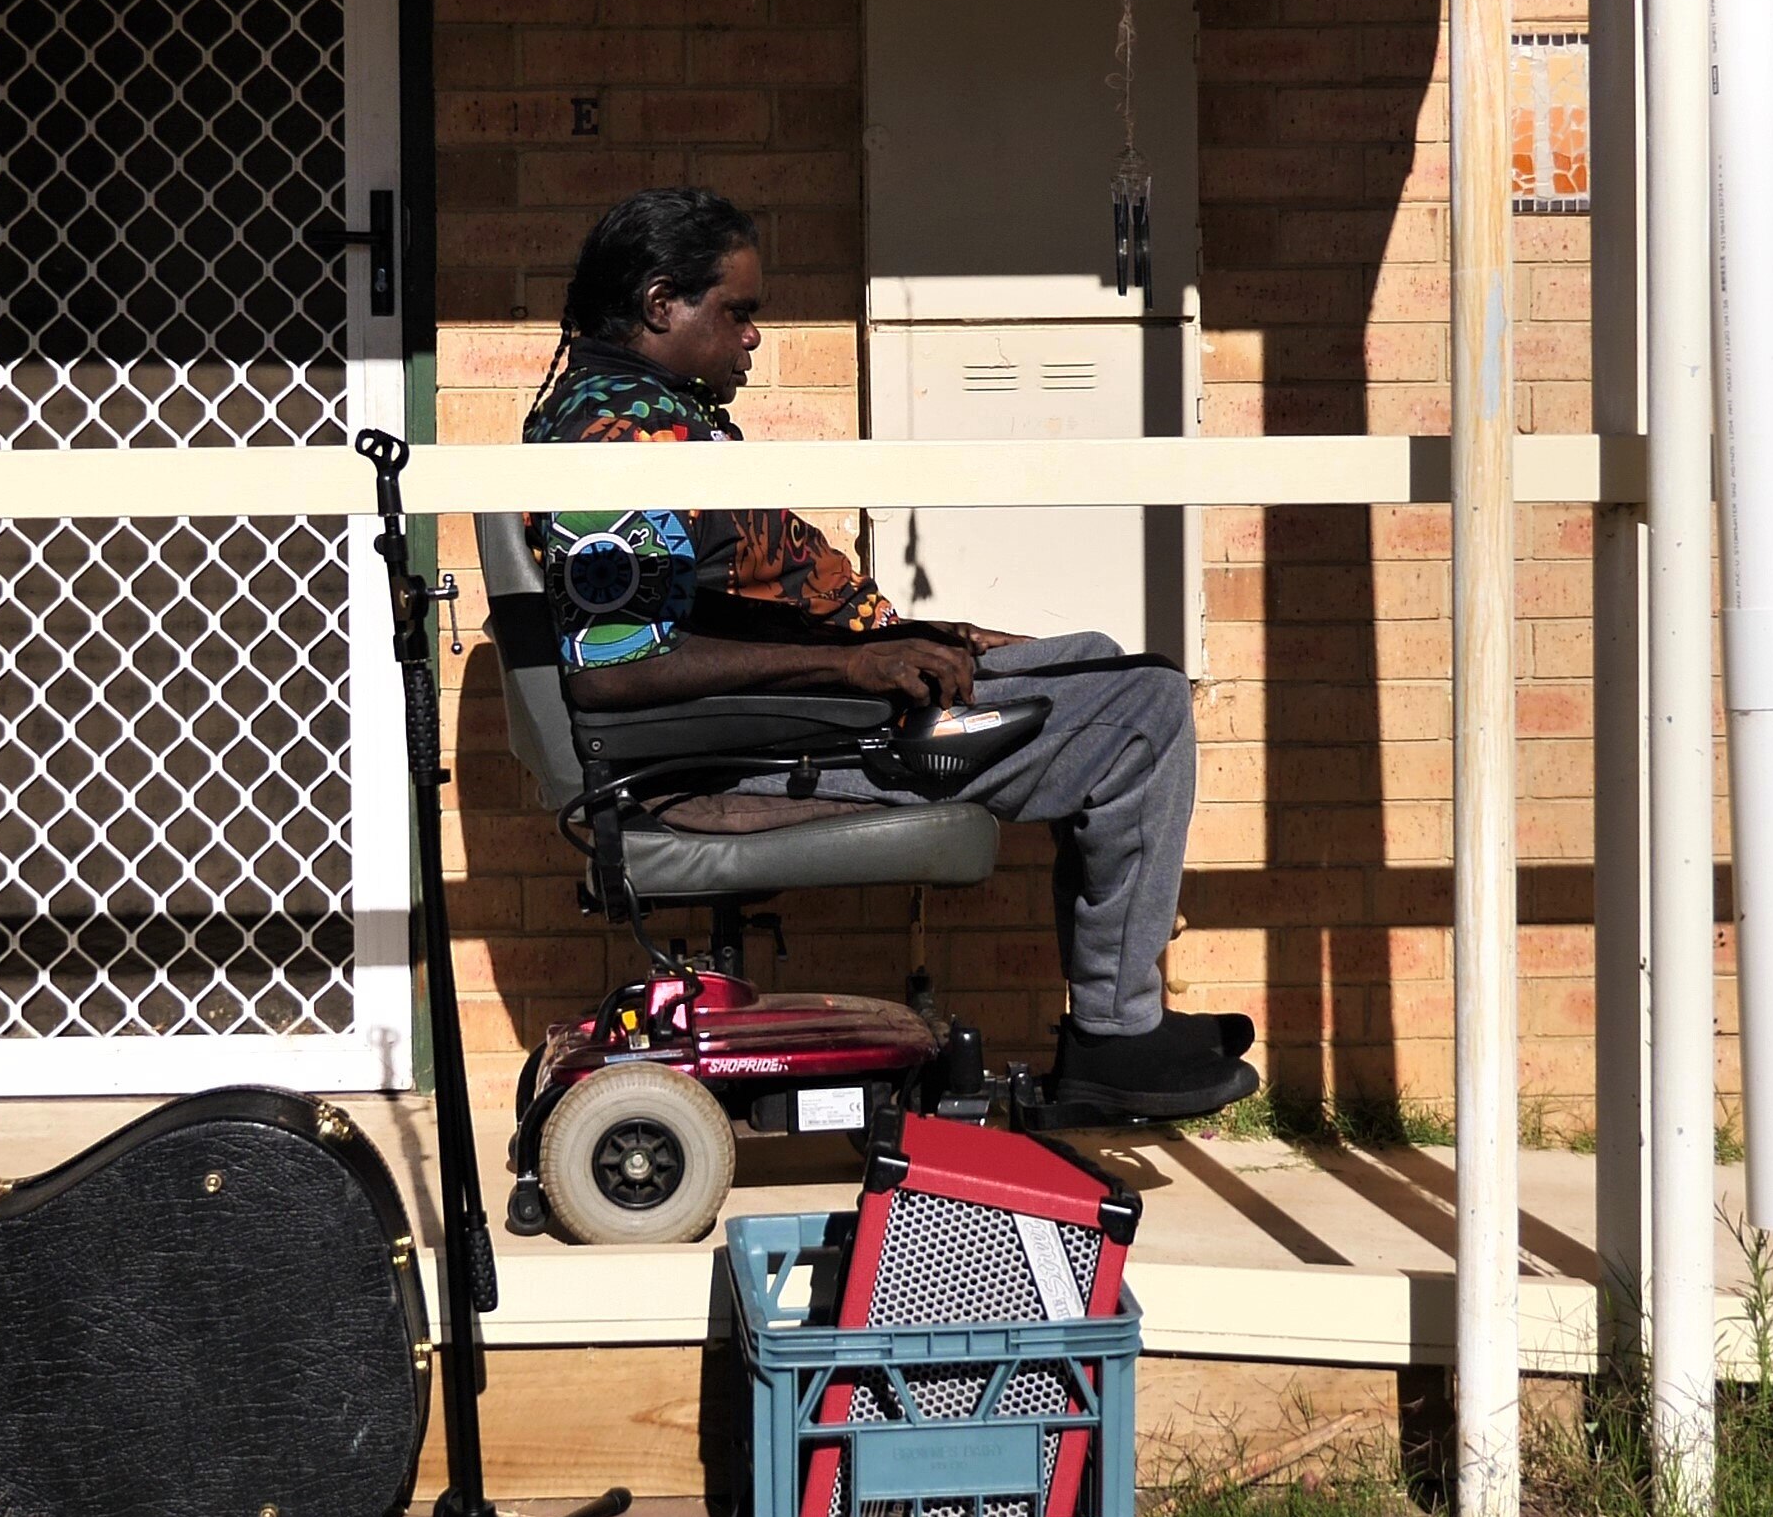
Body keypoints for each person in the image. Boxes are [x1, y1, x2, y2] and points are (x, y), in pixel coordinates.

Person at [524, 186, 1258, 1120]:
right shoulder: (620, 439)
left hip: (805, 713)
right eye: (737, 312)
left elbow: (750, 597)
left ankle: (1120, 1019)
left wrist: (920, 638)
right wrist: (852, 667)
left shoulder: (642, 411)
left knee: (1100, 659)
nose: (753, 336)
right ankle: (1118, 1036)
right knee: (1144, 706)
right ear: (662, 303)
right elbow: (618, 669)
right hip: (747, 754)